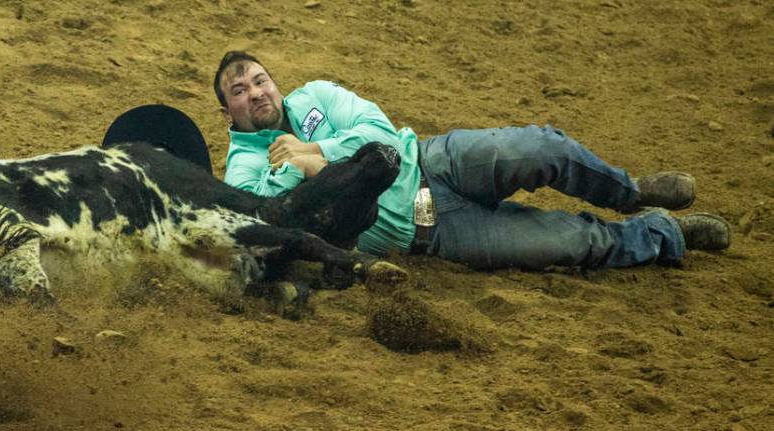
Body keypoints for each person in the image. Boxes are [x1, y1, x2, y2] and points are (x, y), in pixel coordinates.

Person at [212, 51, 731, 270]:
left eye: (260, 79)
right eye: (239, 90)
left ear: (273, 81)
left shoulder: (318, 95)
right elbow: (278, 220)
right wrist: (318, 176)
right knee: (569, 243)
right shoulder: (241, 173)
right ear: (227, 111)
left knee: (541, 147)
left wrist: (318, 153)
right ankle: (665, 234)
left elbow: (380, 134)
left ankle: (632, 192)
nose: (256, 92)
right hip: (431, 233)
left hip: (432, 160)